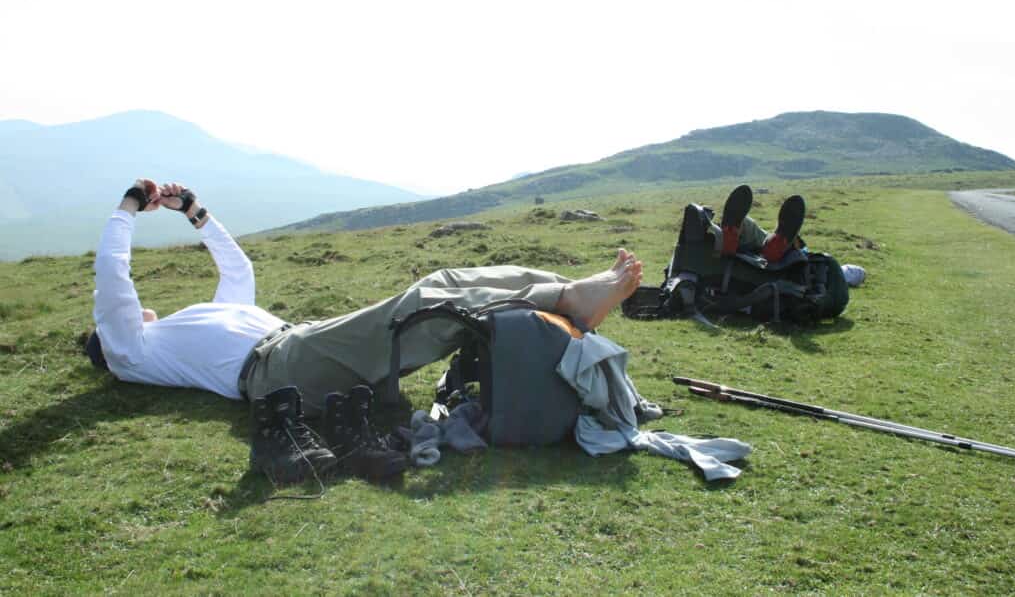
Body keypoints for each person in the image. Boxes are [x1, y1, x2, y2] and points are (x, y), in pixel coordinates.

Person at [88, 179, 644, 484]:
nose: (141, 311)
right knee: (430, 295)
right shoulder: (131, 352)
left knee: (436, 305)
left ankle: (564, 294)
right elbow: (113, 283)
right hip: (279, 368)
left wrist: (194, 212)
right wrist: (128, 209)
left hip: (297, 344)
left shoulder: (192, 322)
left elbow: (238, 273)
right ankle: (569, 296)